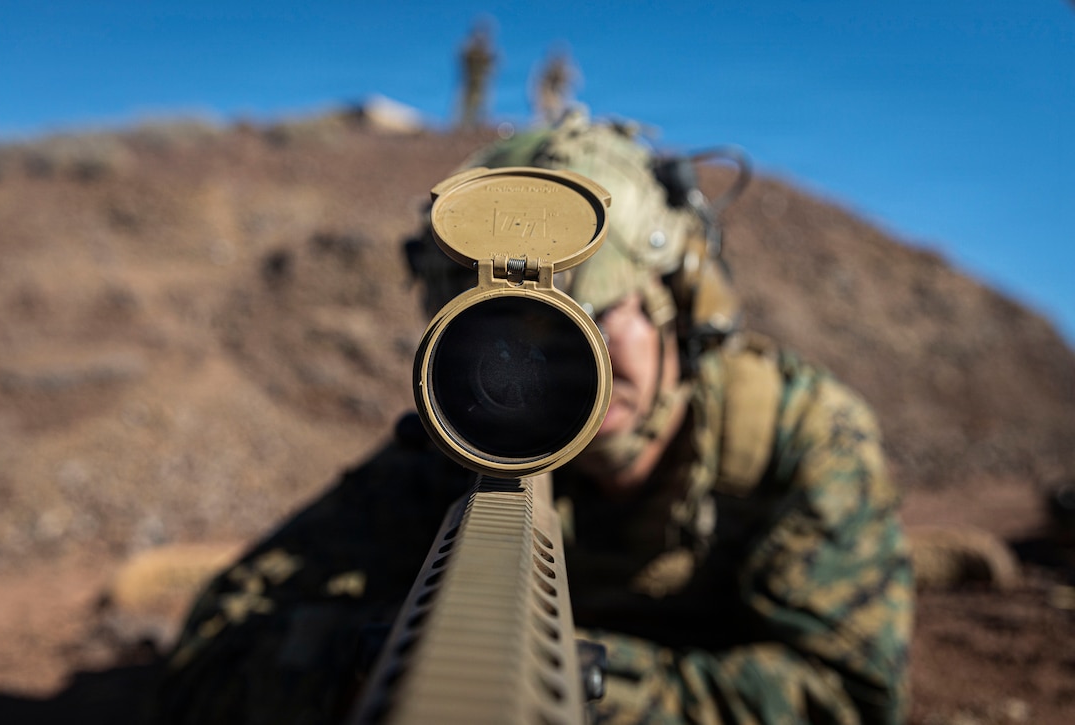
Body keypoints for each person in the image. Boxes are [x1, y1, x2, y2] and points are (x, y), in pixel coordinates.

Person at [154, 111, 914, 724]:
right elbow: (213, 649)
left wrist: (590, 689)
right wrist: (369, 665)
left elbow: (848, 692)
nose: (554, 367)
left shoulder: (792, 435)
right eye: (509, 340)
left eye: (595, 320)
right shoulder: (449, 459)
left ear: (678, 305)